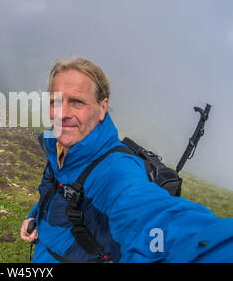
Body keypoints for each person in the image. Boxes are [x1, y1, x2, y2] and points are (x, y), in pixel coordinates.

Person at [20, 57, 233, 263]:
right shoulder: (59, 147)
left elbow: (150, 217)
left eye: (77, 102)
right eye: (54, 101)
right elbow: (55, 191)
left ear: (102, 107)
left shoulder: (116, 170)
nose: (61, 113)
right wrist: (37, 217)